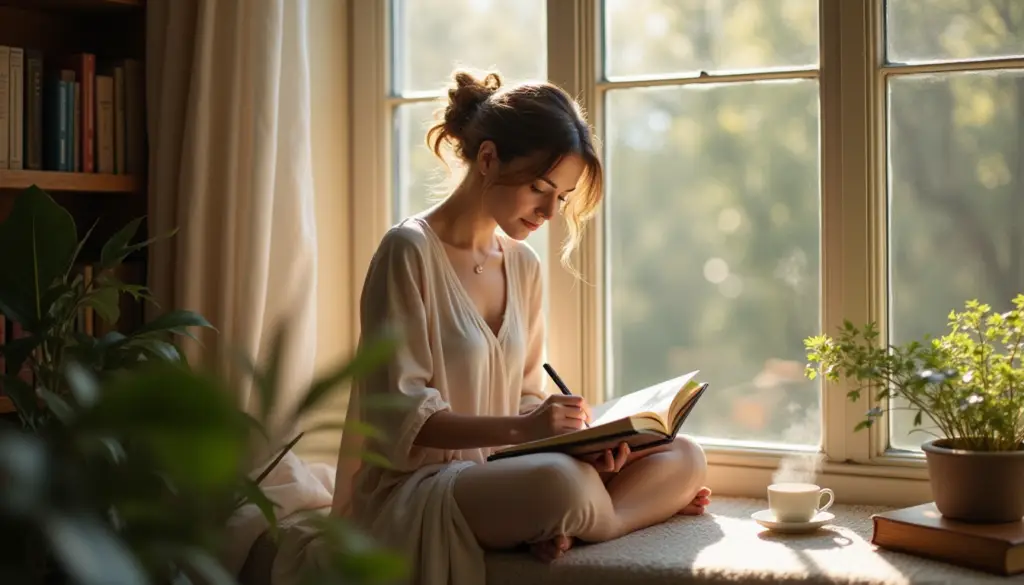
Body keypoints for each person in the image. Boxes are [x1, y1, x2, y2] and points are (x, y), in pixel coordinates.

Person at [331, 69, 711, 584]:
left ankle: (588, 521)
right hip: (416, 487)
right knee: (559, 485)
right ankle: (604, 515)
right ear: (488, 158)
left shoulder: (523, 265)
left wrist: (586, 444)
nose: (551, 211)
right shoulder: (408, 251)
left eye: (563, 196)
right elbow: (403, 419)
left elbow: (527, 400)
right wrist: (527, 431)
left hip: (497, 474)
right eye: (540, 188)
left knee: (685, 456)